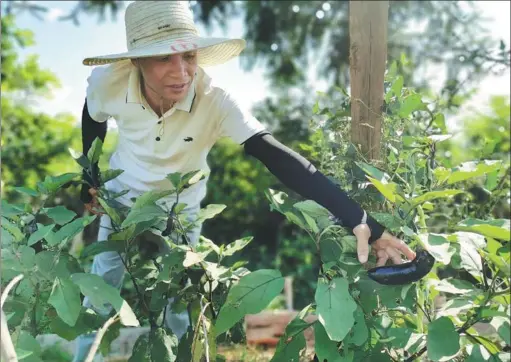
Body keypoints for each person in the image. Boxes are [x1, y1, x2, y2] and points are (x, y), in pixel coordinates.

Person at [74, 1, 416, 361]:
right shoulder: (107, 83)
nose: (182, 72)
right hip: (122, 196)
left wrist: (364, 222)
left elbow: (279, 158)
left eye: (189, 56)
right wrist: (89, 178)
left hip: (181, 205)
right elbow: (92, 116)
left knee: (178, 301)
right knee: (101, 286)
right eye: (163, 58)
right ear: (137, 62)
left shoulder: (216, 101)